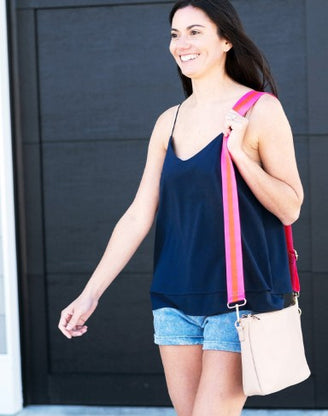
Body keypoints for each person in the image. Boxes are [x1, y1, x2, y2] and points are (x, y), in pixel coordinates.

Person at [58, 1, 304, 415]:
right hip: (173, 298)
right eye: (175, 34)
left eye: (194, 32)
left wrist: (241, 155)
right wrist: (90, 294)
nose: (181, 44)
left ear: (226, 40)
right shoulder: (168, 121)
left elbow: (290, 207)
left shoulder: (260, 110)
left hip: (237, 299)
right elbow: (139, 213)